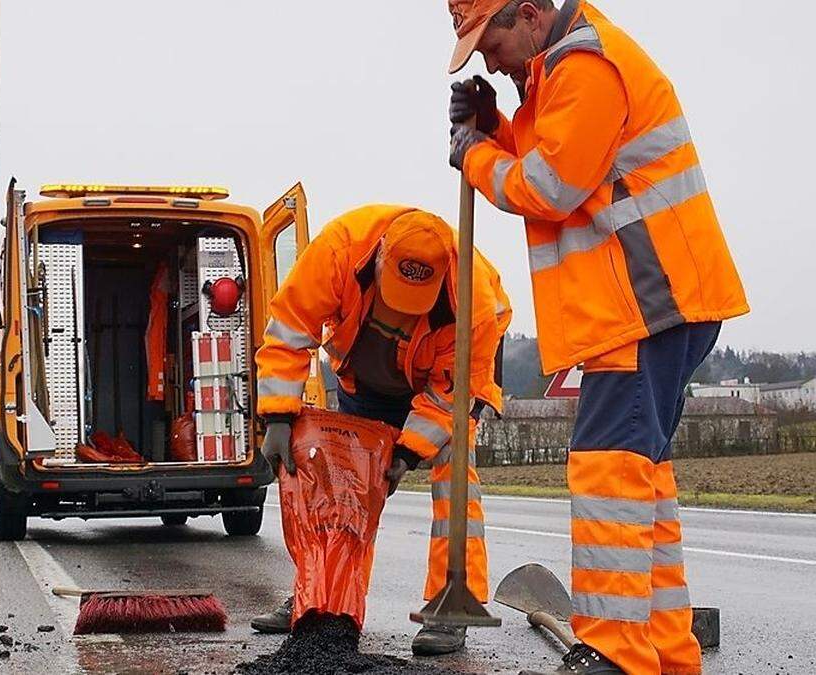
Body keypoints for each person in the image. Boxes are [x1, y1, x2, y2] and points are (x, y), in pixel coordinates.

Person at [443, 1, 749, 673]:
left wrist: (476, 158)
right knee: (642, 482)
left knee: (608, 470)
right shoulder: (564, 71)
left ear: (527, 14)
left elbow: (550, 185)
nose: (488, 61)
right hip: (650, 306)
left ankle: (615, 651)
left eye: (489, 43)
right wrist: (494, 125)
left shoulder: (586, 66)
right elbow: (555, 149)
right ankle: (666, 650)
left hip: (645, 304)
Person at [251, 204, 512, 656]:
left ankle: (450, 606)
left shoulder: (474, 304)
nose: (403, 316)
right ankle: (321, 601)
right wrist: (276, 415)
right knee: (344, 490)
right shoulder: (337, 251)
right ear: (377, 261)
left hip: (440, 384)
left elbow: (450, 394)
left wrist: (409, 451)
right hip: (368, 379)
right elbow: (291, 329)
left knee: (454, 482)